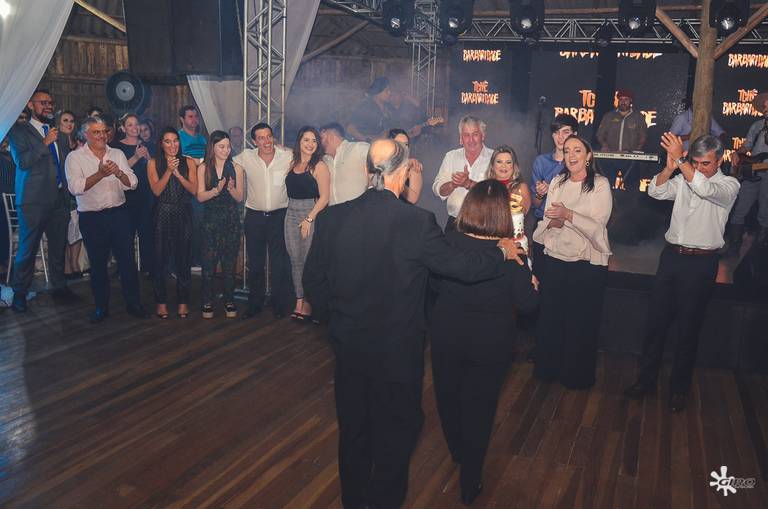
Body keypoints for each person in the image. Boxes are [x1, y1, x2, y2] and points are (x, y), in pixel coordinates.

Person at [303, 138, 525, 509]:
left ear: (367, 171)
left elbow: (313, 283)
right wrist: (500, 251)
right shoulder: (417, 222)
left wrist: (338, 322)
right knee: (396, 434)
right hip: (397, 353)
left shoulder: (332, 218)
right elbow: (462, 269)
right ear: (404, 172)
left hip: (348, 347)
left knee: (354, 432)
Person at [430, 180, 538, 505]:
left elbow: (434, 286)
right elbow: (528, 305)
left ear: (470, 208)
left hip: (447, 335)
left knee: (447, 398)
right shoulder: (511, 253)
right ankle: (470, 480)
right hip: (491, 343)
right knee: (480, 408)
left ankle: (458, 451)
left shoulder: (447, 243)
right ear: (502, 213)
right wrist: (533, 283)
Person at [624, 134, 739, 412]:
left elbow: (704, 189)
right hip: (672, 258)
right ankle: (646, 381)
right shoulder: (685, 177)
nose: (699, 168)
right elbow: (656, 192)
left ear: (719, 160)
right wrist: (668, 168)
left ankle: (679, 389)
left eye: (705, 163)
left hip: (701, 264)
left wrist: (681, 160)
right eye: (695, 162)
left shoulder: (729, 185)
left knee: (688, 329)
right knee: (656, 323)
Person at [532, 135, 613, 389]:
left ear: (588, 156)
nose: (571, 155)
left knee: (581, 322)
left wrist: (568, 215)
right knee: (551, 319)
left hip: (586, 265)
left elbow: (598, 227)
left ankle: (576, 376)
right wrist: (556, 222)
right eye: (567, 151)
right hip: (556, 260)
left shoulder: (600, 184)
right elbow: (547, 221)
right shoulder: (558, 181)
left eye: (577, 150)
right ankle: (548, 370)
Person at [65, 117, 148, 322]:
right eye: (97, 132)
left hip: (119, 215)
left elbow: (133, 183)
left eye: (104, 131)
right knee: (98, 265)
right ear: (86, 135)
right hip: (92, 218)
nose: (102, 135)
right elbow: (75, 188)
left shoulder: (117, 153)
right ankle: (101, 308)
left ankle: (134, 304)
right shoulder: (75, 157)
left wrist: (119, 173)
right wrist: (100, 174)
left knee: (127, 262)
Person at [7, 89, 76, 312]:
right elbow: (23, 162)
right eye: (43, 102)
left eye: (50, 102)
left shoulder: (58, 133)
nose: (48, 106)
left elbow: (63, 164)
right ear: (30, 105)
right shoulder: (19, 131)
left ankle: (59, 287)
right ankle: (19, 293)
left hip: (59, 199)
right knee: (27, 249)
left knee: (58, 247)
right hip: (33, 201)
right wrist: (44, 142)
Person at [233, 122, 293, 319]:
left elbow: (305, 154)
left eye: (269, 136)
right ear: (254, 141)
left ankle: (279, 305)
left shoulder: (286, 156)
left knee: (279, 264)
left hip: (279, 216)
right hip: (255, 217)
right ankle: (255, 304)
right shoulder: (246, 156)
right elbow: (224, 159)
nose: (267, 141)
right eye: (261, 138)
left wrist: (286, 147)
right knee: (256, 263)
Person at [148, 128, 198, 319]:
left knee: (183, 260)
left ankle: (183, 302)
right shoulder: (153, 162)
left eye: (175, 140)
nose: (172, 145)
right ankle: (161, 302)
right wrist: (169, 171)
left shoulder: (188, 162)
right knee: (160, 260)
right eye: (168, 141)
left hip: (183, 212)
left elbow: (194, 190)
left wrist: (179, 175)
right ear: (161, 144)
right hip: (162, 213)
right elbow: (156, 191)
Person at [196, 131, 244, 319]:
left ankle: (229, 300)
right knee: (208, 265)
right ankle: (207, 301)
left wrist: (231, 189)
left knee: (229, 265)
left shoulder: (236, 168)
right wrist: (216, 190)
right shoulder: (203, 168)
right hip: (210, 220)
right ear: (212, 148)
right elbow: (200, 197)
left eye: (228, 146)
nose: (226, 150)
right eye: (221, 147)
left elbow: (240, 197)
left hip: (231, 220)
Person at [284, 126, 330, 321]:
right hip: (290, 213)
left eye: (314, 140)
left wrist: (309, 219)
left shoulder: (319, 166)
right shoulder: (292, 162)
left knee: (309, 261)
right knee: (295, 260)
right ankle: (299, 300)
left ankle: (311, 303)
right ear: (299, 142)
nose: (310, 144)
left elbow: (325, 197)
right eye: (306, 140)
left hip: (310, 213)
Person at [531, 114, 578, 278]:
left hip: (570, 225)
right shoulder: (541, 162)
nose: (560, 137)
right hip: (544, 224)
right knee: (540, 275)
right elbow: (535, 204)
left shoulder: (578, 163)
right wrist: (540, 193)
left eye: (565, 132)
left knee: (566, 277)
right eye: (556, 132)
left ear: (575, 134)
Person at [432, 115, 494, 231]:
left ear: (483, 136)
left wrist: (468, 183)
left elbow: (497, 194)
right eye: (466, 135)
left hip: (486, 225)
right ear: (461, 138)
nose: (471, 140)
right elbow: (438, 190)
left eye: (475, 134)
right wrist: (453, 184)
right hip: (455, 224)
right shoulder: (451, 156)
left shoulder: (495, 158)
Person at [114, 113, 155, 277]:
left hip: (146, 195)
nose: (135, 127)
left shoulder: (148, 145)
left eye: (136, 124)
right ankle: (125, 269)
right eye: (130, 125)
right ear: (123, 128)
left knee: (147, 233)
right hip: (127, 197)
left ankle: (148, 268)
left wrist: (148, 158)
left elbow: (154, 169)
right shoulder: (116, 147)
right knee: (126, 235)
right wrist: (136, 157)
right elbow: (119, 171)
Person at [728, 91, 768, 249]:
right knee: (740, 209)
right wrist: (737, 153)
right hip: (753, 172)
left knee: (765, 213)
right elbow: (747, 146)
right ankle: (733, 246)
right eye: (764, 106)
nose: (766, 109)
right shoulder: (757, 126)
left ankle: (760, 249)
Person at [178, 105, 207, 268]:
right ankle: (182, 263)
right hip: (185, 187)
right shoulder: (178, 137)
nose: (194, 119)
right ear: (182, 119)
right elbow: (180, 160)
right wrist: (197, 162)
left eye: (196, 116)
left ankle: (196, 260)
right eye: (190, 116)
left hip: (201, 187)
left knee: (199, 224)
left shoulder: (202, 139)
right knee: (185, 227)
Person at [319, 122, 369, 205]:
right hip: (333, 211)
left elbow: (380, 161)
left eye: (321, 138)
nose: (319, 142)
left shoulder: (357, 149)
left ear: (330, 136)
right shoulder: (324, 160)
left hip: (358, 210)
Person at [487, 145, 531, 214]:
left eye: (508, 162)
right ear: (492, 165)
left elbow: (523, 212)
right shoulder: (486, 187)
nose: (503, 166)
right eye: (499, 162)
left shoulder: (521, 187)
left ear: (514, 166)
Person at [346, 77, 392, 142]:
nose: (390, 93)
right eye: (387, 91)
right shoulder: (366, 107)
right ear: (377, 92)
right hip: (363, 145)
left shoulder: (387, 108)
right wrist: (365, 139)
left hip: (379, 144)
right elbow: (350, 128)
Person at [388, 128, 423, 203]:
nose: (403, 147)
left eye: (406, 144)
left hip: (400, 207)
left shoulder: (413, 166)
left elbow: (413, 199)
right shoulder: (381, 163)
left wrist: (399, 180)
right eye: (399, 144)